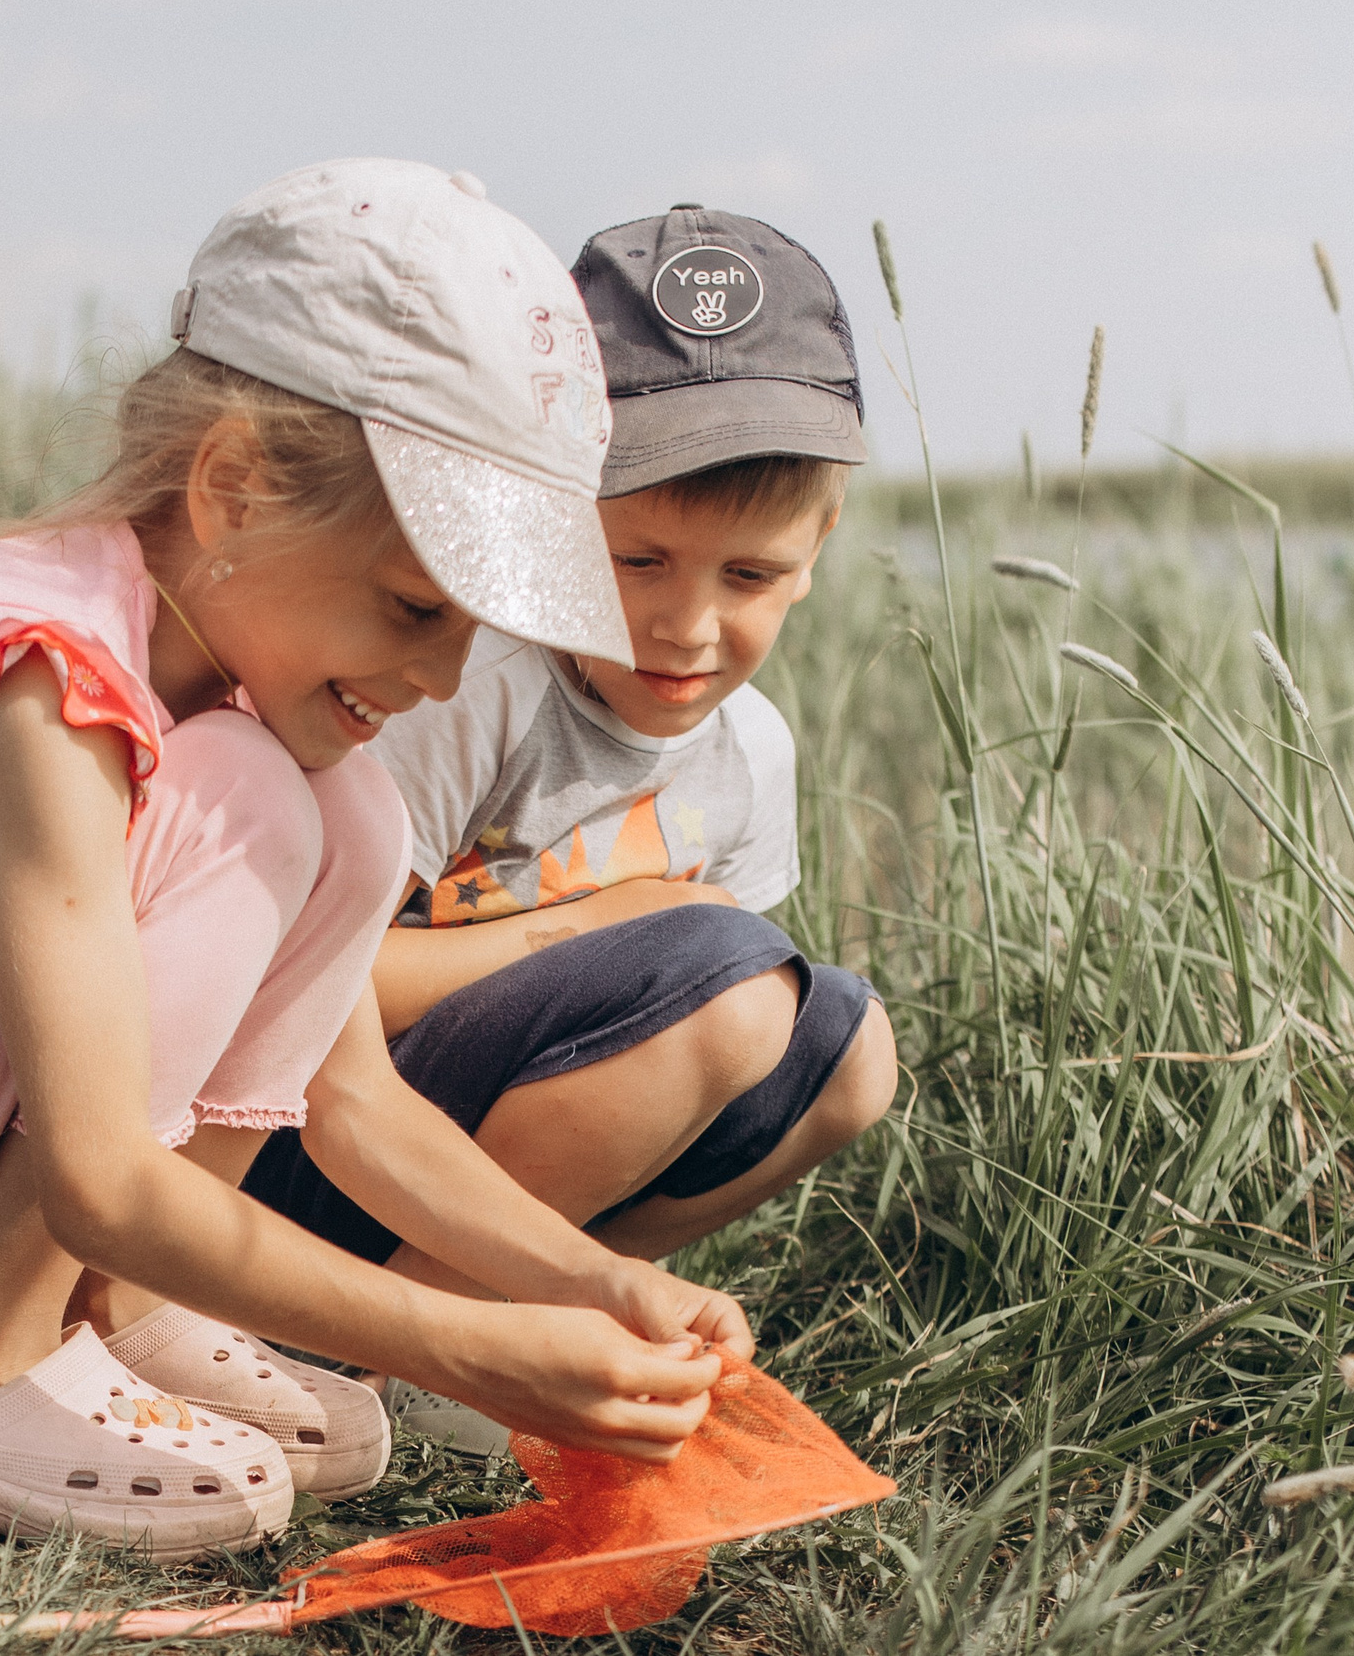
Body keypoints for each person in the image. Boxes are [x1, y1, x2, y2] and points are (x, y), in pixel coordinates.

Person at [0, 162, 755, 1560]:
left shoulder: (236, 702)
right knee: (257, 799)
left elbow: (349, 1099)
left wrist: (587, 1285)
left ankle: (120, 1313)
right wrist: (476, 1350)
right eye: (416, 604)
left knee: (350, 817)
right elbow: (101, 1167)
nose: (443, 671)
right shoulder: (42, 671)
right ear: (229, 487)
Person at [243, 205, 901, 1453]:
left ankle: (486, 1321)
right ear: (541, 520)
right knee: (726, 994)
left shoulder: (750, 752)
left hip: (484, 1163)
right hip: (314, 1143)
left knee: (846, 1049)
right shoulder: (464, 691)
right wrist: (590, 923)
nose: (688, 627)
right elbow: (291, 994)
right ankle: (363, 1348)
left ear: (815, 553)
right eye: (635, 559)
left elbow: (717, 1049)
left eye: (747, 577)